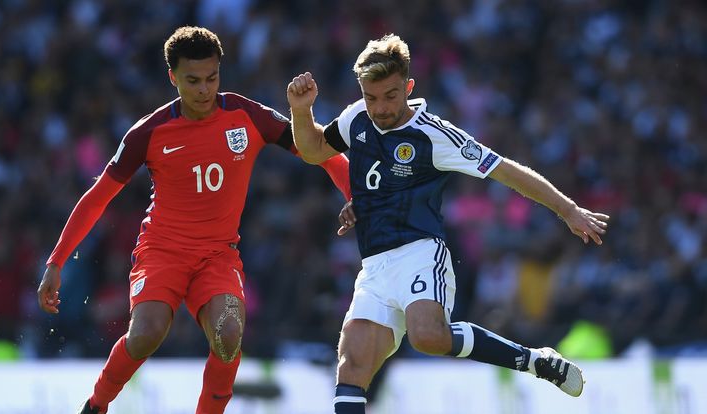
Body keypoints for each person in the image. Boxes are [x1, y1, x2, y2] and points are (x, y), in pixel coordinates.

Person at [287, 34, 609, 413]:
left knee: (427, 336)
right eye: (372, 97)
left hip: (420, 253)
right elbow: (313, 151)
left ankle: (533, 360)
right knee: (351, 365)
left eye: (391, 96)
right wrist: (301, 111)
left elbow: (504, 170)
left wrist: (567, 210)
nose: (381, 108)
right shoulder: (356, 116)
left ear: (408, 86)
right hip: (374, 267)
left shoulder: (434, 135)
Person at [37, 26, 350, 414]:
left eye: (212, 78)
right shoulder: (147, 133)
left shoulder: (246, 115)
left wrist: (357, 196)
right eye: (193, 80)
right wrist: (56, 261)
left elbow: (318, 149)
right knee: (147, 333)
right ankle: (97, 405)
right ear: (173, 77)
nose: (205, 89)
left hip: (217, 256)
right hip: (162, 251)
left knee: (229, 335)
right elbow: (97, 198)